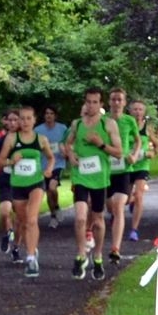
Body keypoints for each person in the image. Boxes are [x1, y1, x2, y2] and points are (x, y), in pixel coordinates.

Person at [65, 87, 122, 281]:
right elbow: (68, 144)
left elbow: (119, 152)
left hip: (99, 177)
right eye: (88, 102)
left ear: (101, 104)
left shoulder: (109, 124)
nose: (91, 105)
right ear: (85, 103)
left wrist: (100, 144)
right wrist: (71, 153)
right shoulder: (77, 124)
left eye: (95, 102)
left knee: (97, 218)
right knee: (81, 217)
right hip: (80, 176)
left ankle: (97, 255)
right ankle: (81, 254)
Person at [0, 106, 55, 277]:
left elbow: (51, 157)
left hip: (36, 183)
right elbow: (0, 161)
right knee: (23, 222)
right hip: (18, 185)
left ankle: (30, 259)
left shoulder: (41, 139)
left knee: (31, 219)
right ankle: (31, 248)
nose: (25, 122)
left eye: (29, 118)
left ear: (34, 120)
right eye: (22, 118)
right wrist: (10, 161)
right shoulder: (11, 139)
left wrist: (49, 169)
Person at [106, 88, 141, 265]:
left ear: (124, 102)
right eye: (114, 99)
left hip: (124, 169)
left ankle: (115, 249)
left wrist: (134, 155)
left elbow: (138, 140)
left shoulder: (129, 121)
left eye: (120, 99)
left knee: (119, 206)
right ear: (109, 102)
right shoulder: (103, 121)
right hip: (105, 171)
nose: (117, 103)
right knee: (110, 207)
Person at [128, 100, 158, 242]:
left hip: (142, 165)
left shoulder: (148, 128)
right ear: (130, 111)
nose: (138, 112)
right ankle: (131, 201)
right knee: (126, 198)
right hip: (127, 165)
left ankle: (134, 229)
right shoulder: (124, 126)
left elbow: (157, 144)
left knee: (139, 195)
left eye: (140, 109)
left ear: (144, 112)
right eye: (135, 109)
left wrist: (153, 153)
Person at [0, 109, 21, 261]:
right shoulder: (2, 139)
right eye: (10, 120)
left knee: (21, 218)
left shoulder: (27, 138)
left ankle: (16, 248)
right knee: (4, 212)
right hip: (5, 179)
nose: (13, 123)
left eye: (16, 120)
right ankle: (7, 233)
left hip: (22, 181)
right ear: (6, 122)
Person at [35, 105, 68, 229]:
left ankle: (57, 206)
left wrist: (65, 151)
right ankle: (53, 215)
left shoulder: (62, 128)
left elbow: (67, 143)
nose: (49, 116)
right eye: (47, 113)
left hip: (58, 163)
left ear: (55, 115)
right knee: (49, 192)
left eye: (51, 113)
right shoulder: (38, 130)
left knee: (52, 187)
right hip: (44, 164)